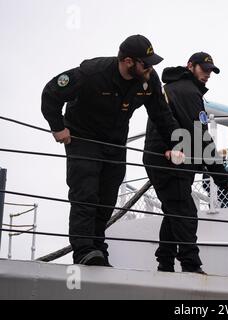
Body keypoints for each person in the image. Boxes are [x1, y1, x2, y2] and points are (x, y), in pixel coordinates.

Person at [41, 35, 180, 266]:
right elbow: (51, 92)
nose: (150, 68)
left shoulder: (149, 79)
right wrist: (58, 127)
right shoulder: (91, 74)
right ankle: (84, 251)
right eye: (146, 63)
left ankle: (97, 248)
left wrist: (177, 145)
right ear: (127, 61)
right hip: (83, 138)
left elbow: (161, 115)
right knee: (85, 194)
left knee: (107, 198)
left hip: (115, 144)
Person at [143, 52, 228, 274]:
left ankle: (165, 263)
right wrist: (219, 173)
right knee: (185, 212)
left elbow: (192, 134)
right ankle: (191, 266)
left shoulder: (178, 88)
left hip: (170, 159)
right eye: (204, 69)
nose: (208, 74)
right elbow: (198, 134)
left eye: (211, 71)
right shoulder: (188, 91)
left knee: (174, 210)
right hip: (169, 161)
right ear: (190, 66)